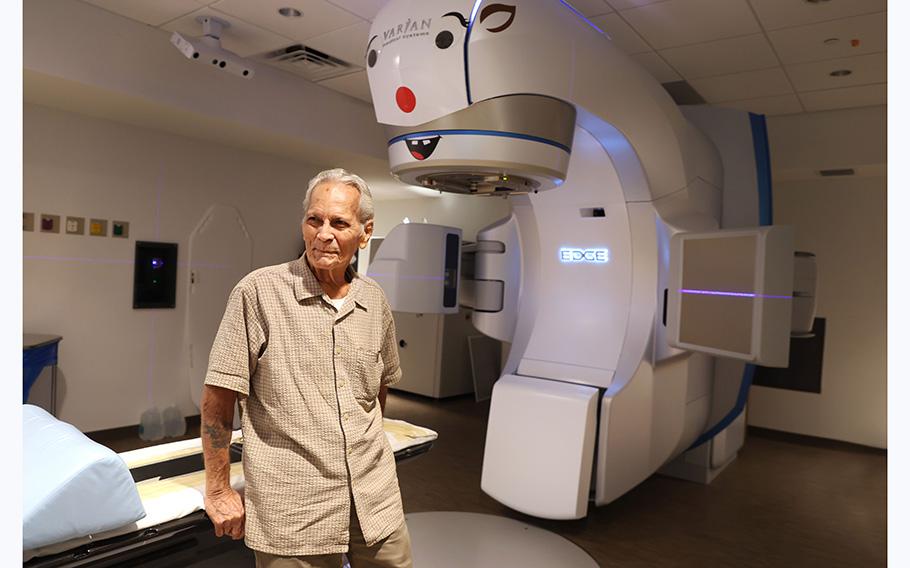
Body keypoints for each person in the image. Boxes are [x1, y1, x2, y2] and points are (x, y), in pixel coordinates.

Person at [200, 168, 412, 568]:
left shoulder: (375, 302)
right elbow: (219, 396)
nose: (323, 233)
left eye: (339, 223)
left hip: (375, 498)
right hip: (295, 509)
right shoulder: (258, 292)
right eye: (314, 220)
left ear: (365, 233)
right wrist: (218, 489)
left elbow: (379, 389)